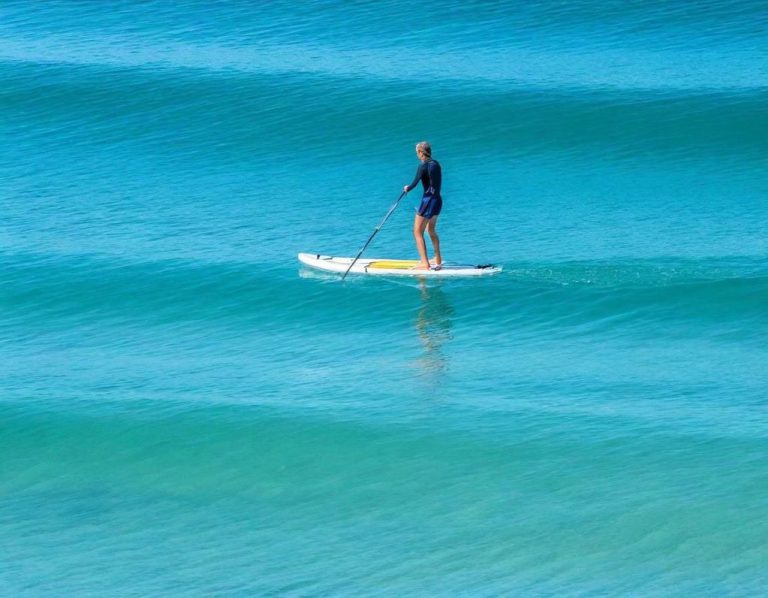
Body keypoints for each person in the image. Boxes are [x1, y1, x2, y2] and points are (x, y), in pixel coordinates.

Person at [403, 141, 442, 270]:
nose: (417, 155)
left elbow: (414, 183)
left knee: (417, 231)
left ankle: (425, 263)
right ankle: (438, 259)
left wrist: (407, 188)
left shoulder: (423, 166)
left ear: (421, 152)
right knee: (431, 230)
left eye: (417, 153)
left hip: (428, 201)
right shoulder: (436, 163)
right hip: (437, 200)